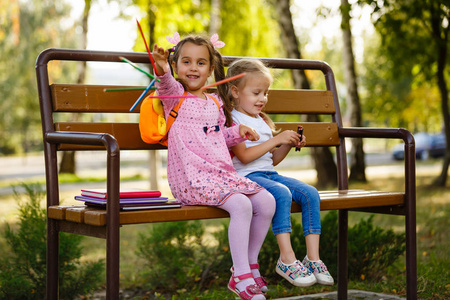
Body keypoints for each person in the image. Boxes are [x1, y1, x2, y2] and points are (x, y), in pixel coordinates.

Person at [150, 34, 276, 300]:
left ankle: (249, 267)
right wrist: (162, 68)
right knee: (241, 204)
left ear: (211, 69)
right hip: (191, 178)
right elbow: (165, 83)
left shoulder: (216, 102)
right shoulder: (175, 97)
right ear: (176, 65)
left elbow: (219, 135)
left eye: (201, 63)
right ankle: (241, 276)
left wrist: (239, 131)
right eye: (186, 62)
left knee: (266, 202)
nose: (193, 68)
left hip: (220, 176)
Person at [228, 58, 334, 287]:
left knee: (310, 193)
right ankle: (286, 258)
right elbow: (245, 157)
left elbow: (272, 160)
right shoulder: (233, 120)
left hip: (268, 175)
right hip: (247, 178)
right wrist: (277, 138)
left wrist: (286, 143)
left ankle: (313, 258)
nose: (262, 98)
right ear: (235, 91)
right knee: (282, 194)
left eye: (265, 93)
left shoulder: (262, 121)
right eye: (256, 92)